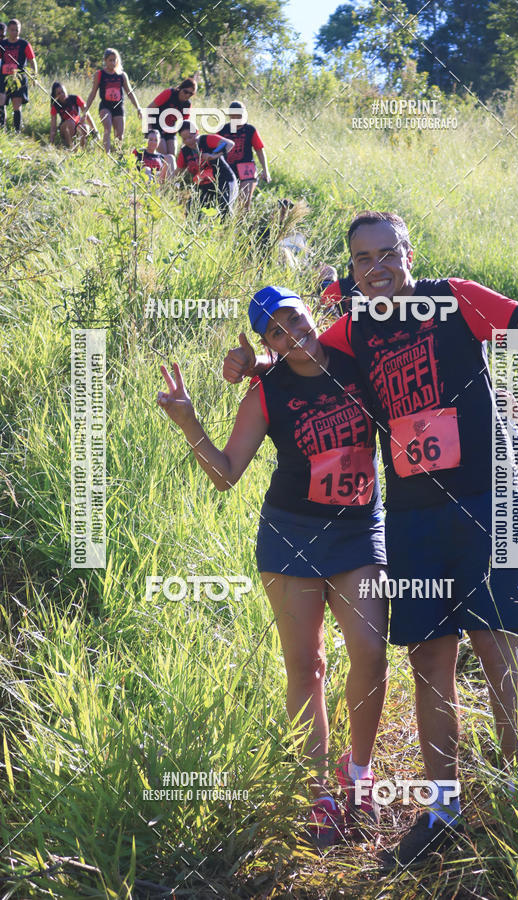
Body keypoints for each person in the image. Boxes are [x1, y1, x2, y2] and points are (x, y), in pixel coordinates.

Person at [223, 210, 518, 867]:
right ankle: (442, 809)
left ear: (409, 252)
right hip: (411, 515)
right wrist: (253, 361)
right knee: (429, 661)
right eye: (363, 259)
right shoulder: (352, 328)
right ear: (353, 269)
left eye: (387, 254)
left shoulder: (454, 298)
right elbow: (303, 350)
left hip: (489, 498)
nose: (377, 269)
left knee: (495, 648)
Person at [158, 287, 389, 849]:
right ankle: (317, 795)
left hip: (359, 531)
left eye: (296, 319)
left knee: (370, 651)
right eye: (277, 332)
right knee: (306, 666)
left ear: (312, 312)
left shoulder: (358, 360)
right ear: (269, 344)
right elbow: (227, 472)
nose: (292, 333)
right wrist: (189, 422)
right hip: (292, 538)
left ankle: (359, 773)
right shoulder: (267, 390)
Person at [83, 48, 142, 152]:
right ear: (105, 61)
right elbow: (93, 93)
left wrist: (138, 108)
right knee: (107, 127)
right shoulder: (99, 74)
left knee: (119, 135)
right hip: (105, 106)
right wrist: (86, 109)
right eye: (110, 60)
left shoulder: (122, 75)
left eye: (115, 60)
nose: (113, 62)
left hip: (119, 107)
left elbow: (130, 93)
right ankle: (107, 154)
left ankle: (117, 155)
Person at [176, 122, 238, 218]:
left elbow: (230, 144)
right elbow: (178, 171)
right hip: (204, 186)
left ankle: (229, 231)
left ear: (196, 132)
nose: (188, 141)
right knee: (192, 211)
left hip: (224, 180)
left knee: (224, 209)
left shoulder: (207, 139)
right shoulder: (184, 151)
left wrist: (213, 156)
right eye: (184, 139)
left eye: (191, 137)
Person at [218, 100, 270, 212]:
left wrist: (266, 170)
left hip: (246, 167)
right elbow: (212, 148)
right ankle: (228, 227)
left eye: (239, 115)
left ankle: (242, 227)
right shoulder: (222, 130)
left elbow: (259, 150)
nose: (237, 119)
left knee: (244, 202)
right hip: (228, 167)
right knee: (226, 202)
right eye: (234, 116)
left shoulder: (250, 130)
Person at [0, 19, 37, 133]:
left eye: (17, 30)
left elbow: (32, 60)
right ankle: (2, 130)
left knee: (17, 104)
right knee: (1, 101)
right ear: (8, 30)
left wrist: (34, 76)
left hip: (19, 78)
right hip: (4, 77)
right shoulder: (2, 44)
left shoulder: (24, 44)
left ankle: (17, 131)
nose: (15, 32)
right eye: (12, 30)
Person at [148, 78, 197, 156]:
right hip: (156, 126)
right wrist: (149, 129)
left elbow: (184, 125)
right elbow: (149, 108)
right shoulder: (169, 93)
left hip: (170, 129)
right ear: (180, 88)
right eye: (185, 92)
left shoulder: (187, 104)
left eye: (190, 94)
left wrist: (186, 140)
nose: (187, 95)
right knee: (163, 154)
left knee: (172, 156)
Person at [49, 82, 96, 149]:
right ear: (56, 96)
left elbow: (87, 115)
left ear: (65, 90)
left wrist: (95, 132)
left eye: (63, 91)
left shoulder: (75, 98)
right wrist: (51, 143)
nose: (62, 94)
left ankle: (82, 150)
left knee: (85, 127)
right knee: (70, 123)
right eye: (59, 93)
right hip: (65, 128)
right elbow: (53, 126)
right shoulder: (55, 105)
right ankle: (71, 147)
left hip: (77, 125)